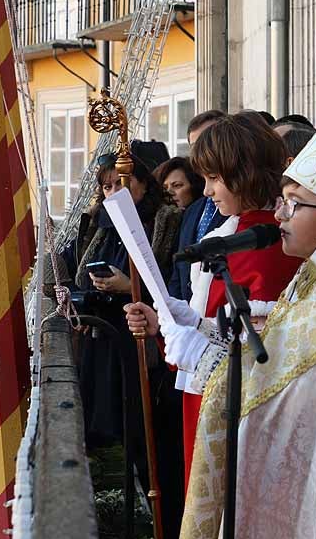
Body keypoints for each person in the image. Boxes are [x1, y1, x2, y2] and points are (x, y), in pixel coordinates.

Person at [169, 68, 316, 539]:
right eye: (283, 202)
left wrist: (202, 350)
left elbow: (289, 388)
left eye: (294, 205)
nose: (280, 216)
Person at [126, 112, 302, 490]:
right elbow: (223, 325)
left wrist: (195, 347)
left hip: (235, 417)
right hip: (208, 403)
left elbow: (263, 362)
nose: (206, 191)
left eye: (214, 178)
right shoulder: (235, 230)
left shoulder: (269, 246)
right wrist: (173, 323)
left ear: (243, 173)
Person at [58, 146, 183, 539]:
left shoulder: (165, 223)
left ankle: (166, 528)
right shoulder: (100, 223)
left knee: (152, 443)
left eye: (122, 184)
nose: (114, 192)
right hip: (106, 341)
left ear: (144, 183)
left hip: (142, 342)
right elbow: (79, 268)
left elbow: (170, 288)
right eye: (107, 186)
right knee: (122, 442)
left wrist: (130, 287)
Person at [167, 110, 228, 301]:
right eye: (194, 146)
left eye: (207, 141)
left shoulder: (237, 209)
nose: (200, 152)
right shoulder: (193, 210)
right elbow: (179, 271)